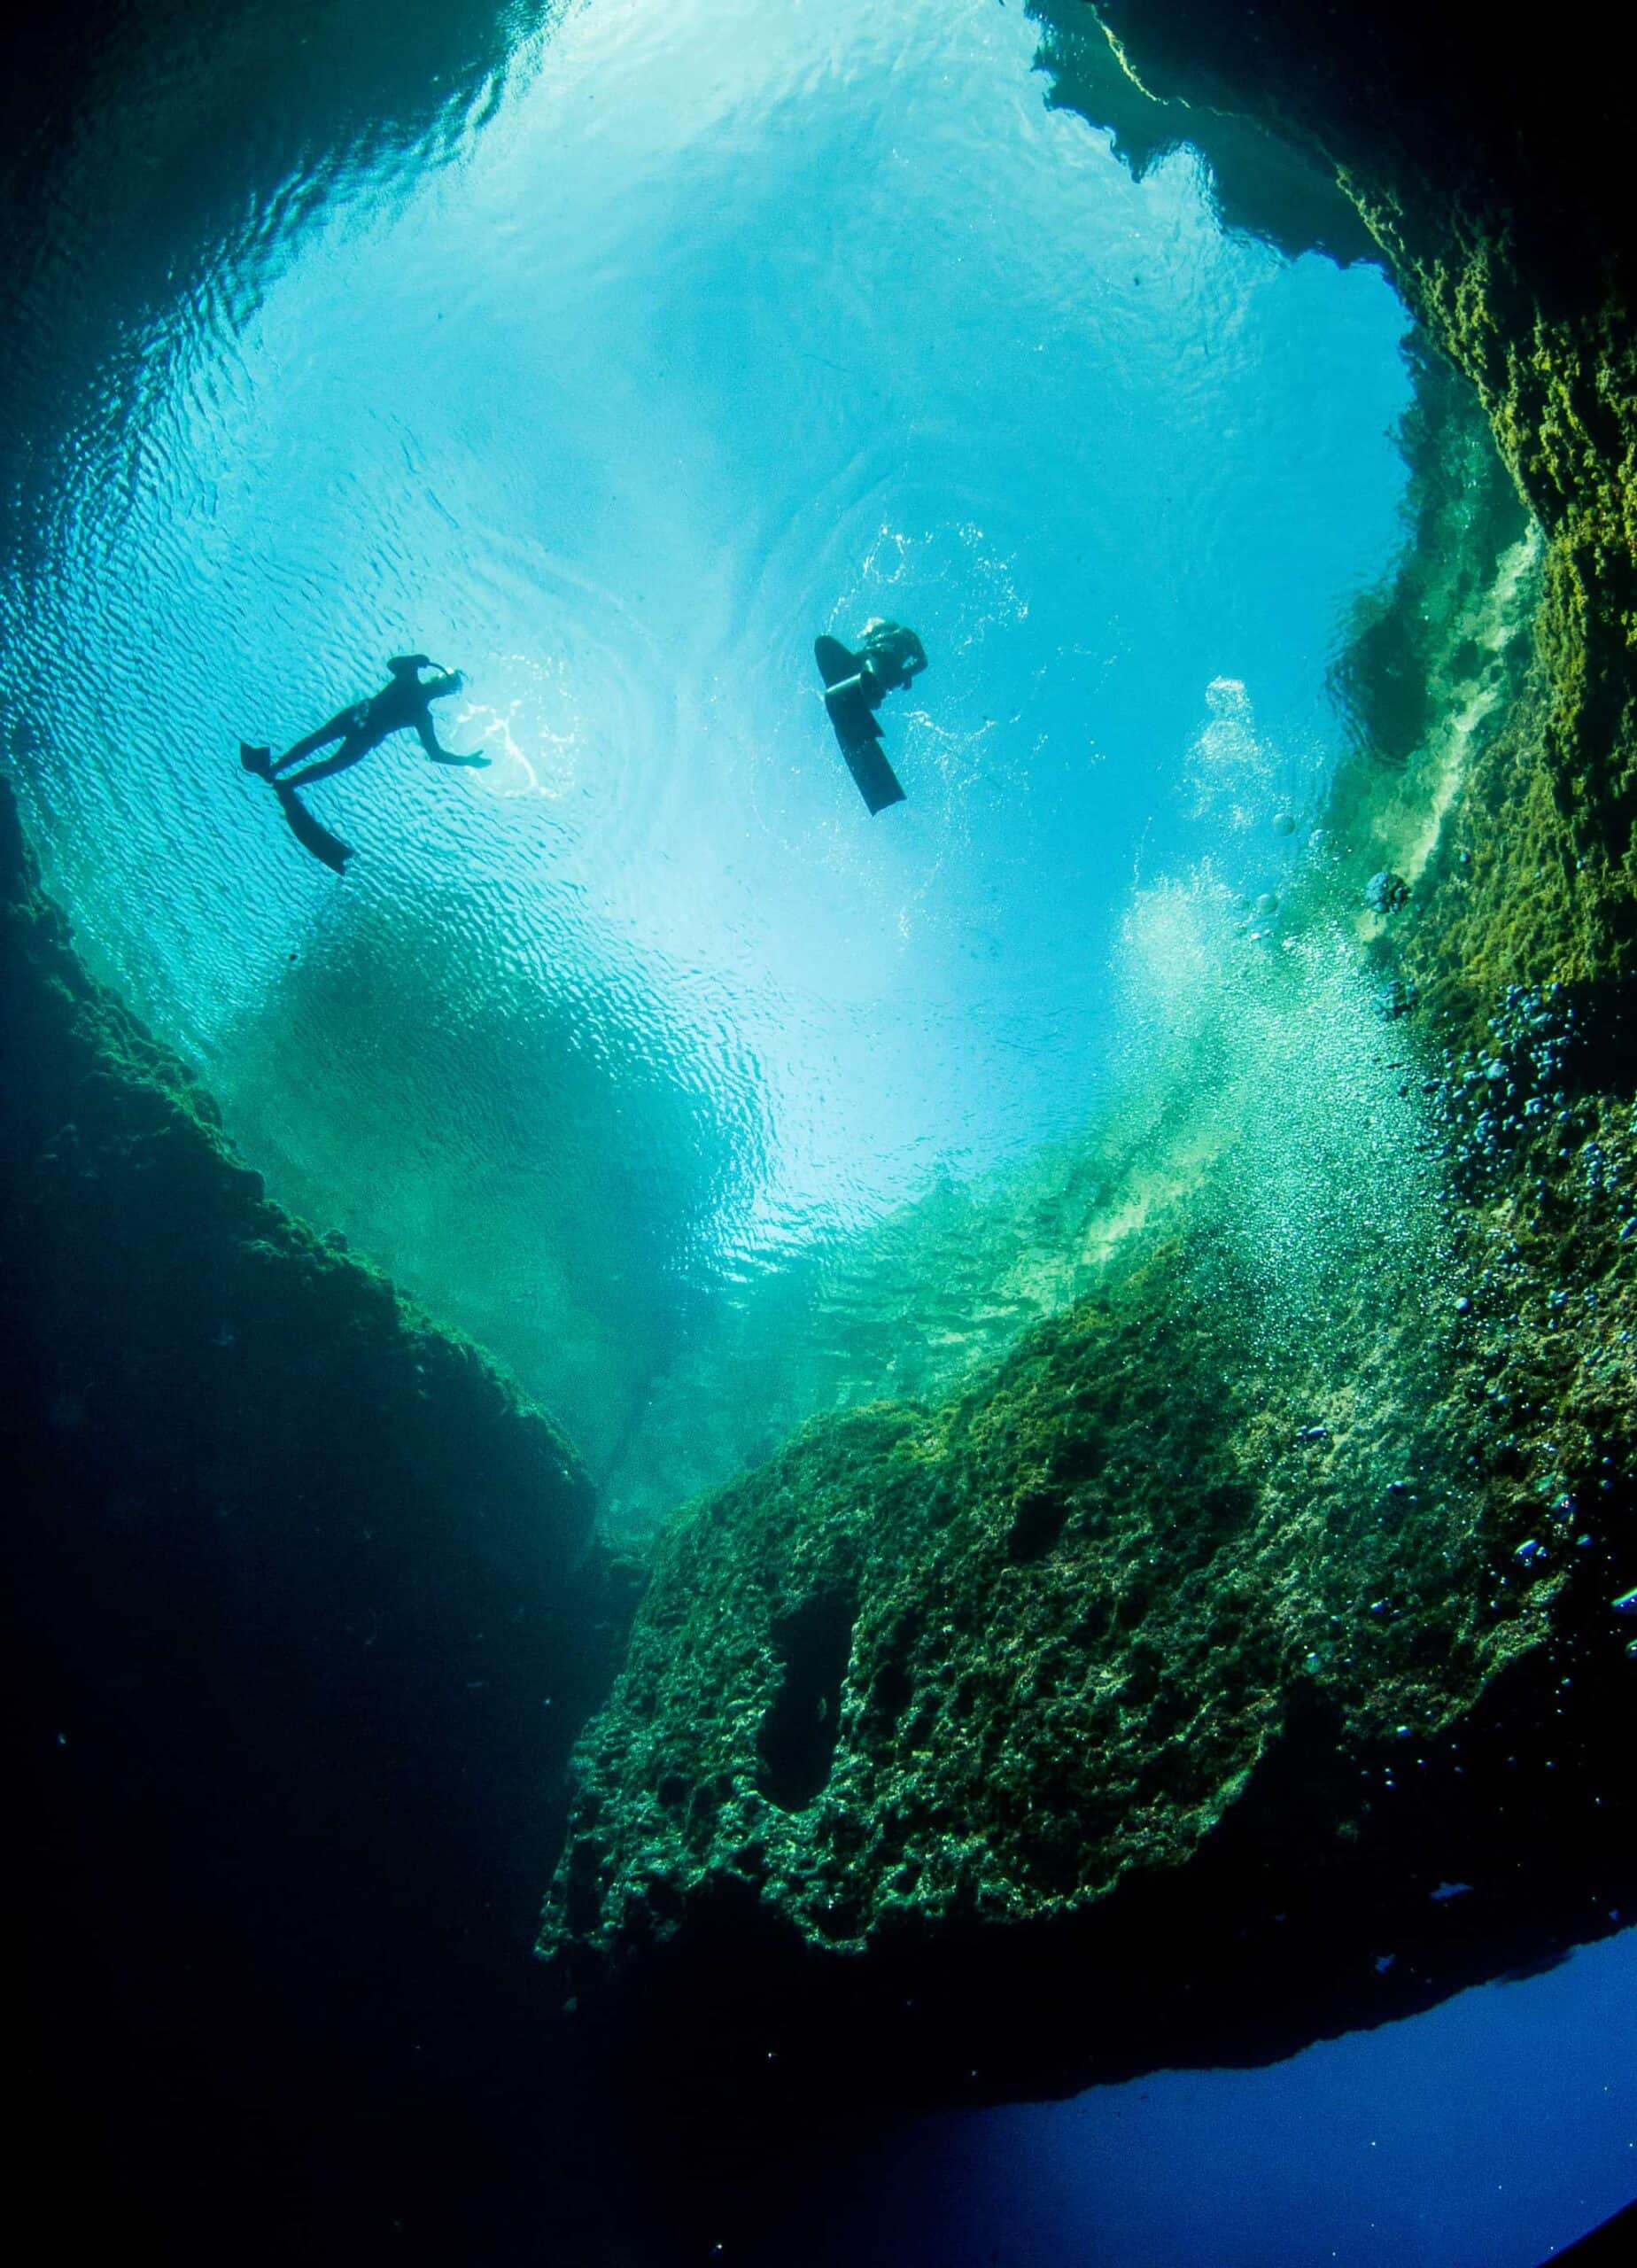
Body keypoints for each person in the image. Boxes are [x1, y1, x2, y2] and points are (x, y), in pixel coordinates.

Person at [238, 656, 487, 871]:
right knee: (319, 743)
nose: (441, 687)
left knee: (328, 759)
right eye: (444, 683)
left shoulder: (420, 711)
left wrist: (467, 760)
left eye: (446, 687)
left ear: (443, 692)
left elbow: (435, 753)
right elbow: (393, 664)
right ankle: (276, 772)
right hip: (362, 718)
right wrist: (414, 659)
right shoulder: (410, 681)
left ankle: (285, 780)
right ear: (437, 679)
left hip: (367, 730)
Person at [813, 619, 927, 814]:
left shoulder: (901, 634)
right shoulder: (878, 641)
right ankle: (866, 692)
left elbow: (922, 662)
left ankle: (869, 687)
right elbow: (919, 663)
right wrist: (905, 674)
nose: (870, 635)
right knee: (864, 665)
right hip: (873, 671)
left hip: (877, 668)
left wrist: (904, 674)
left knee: (869, 666)